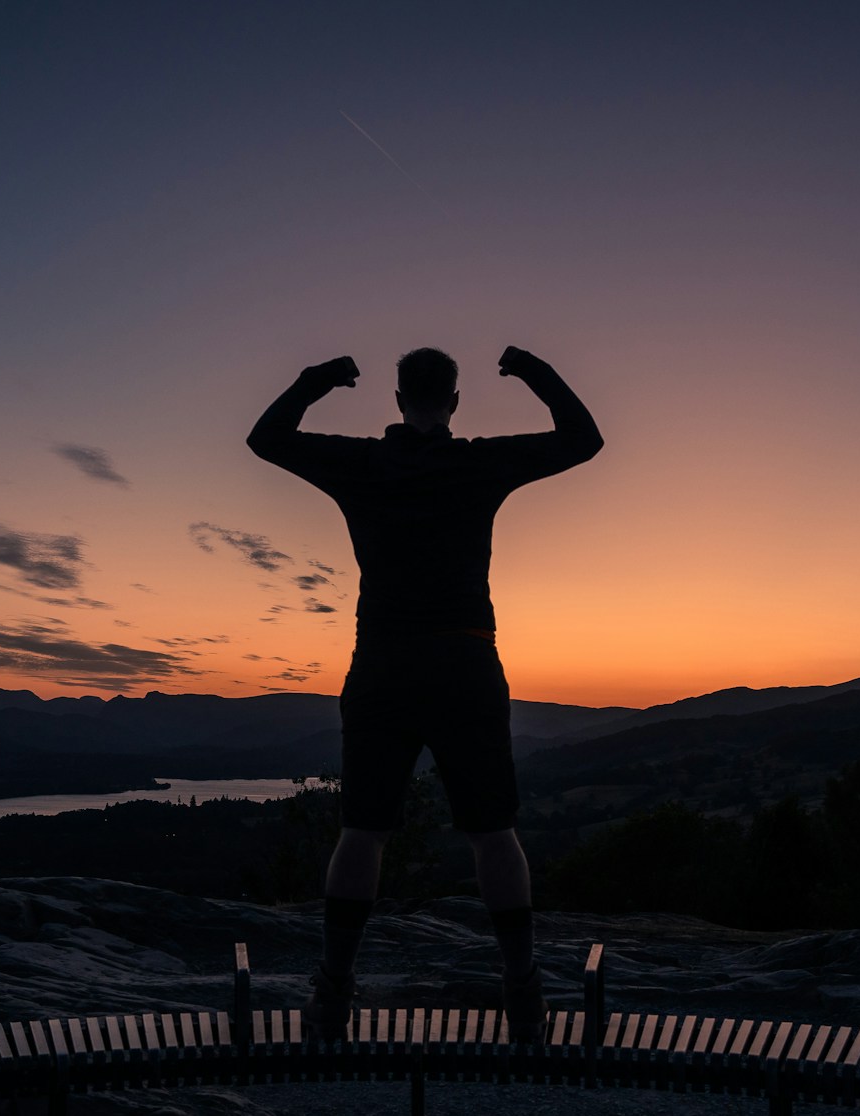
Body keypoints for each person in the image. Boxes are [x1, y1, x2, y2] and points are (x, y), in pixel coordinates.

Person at [246, 345, 604, 1042]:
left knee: (363, 829)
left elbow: (266, 439)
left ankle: (333, 994)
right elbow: (583, 440)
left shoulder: (364, 464)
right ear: (456, 401)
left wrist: (314, 382)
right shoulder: (478, 464)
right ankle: (523, 996)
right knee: (493, 830)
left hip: (383, 662)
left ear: (399, 398)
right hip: (466, 661)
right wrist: (534, 372)